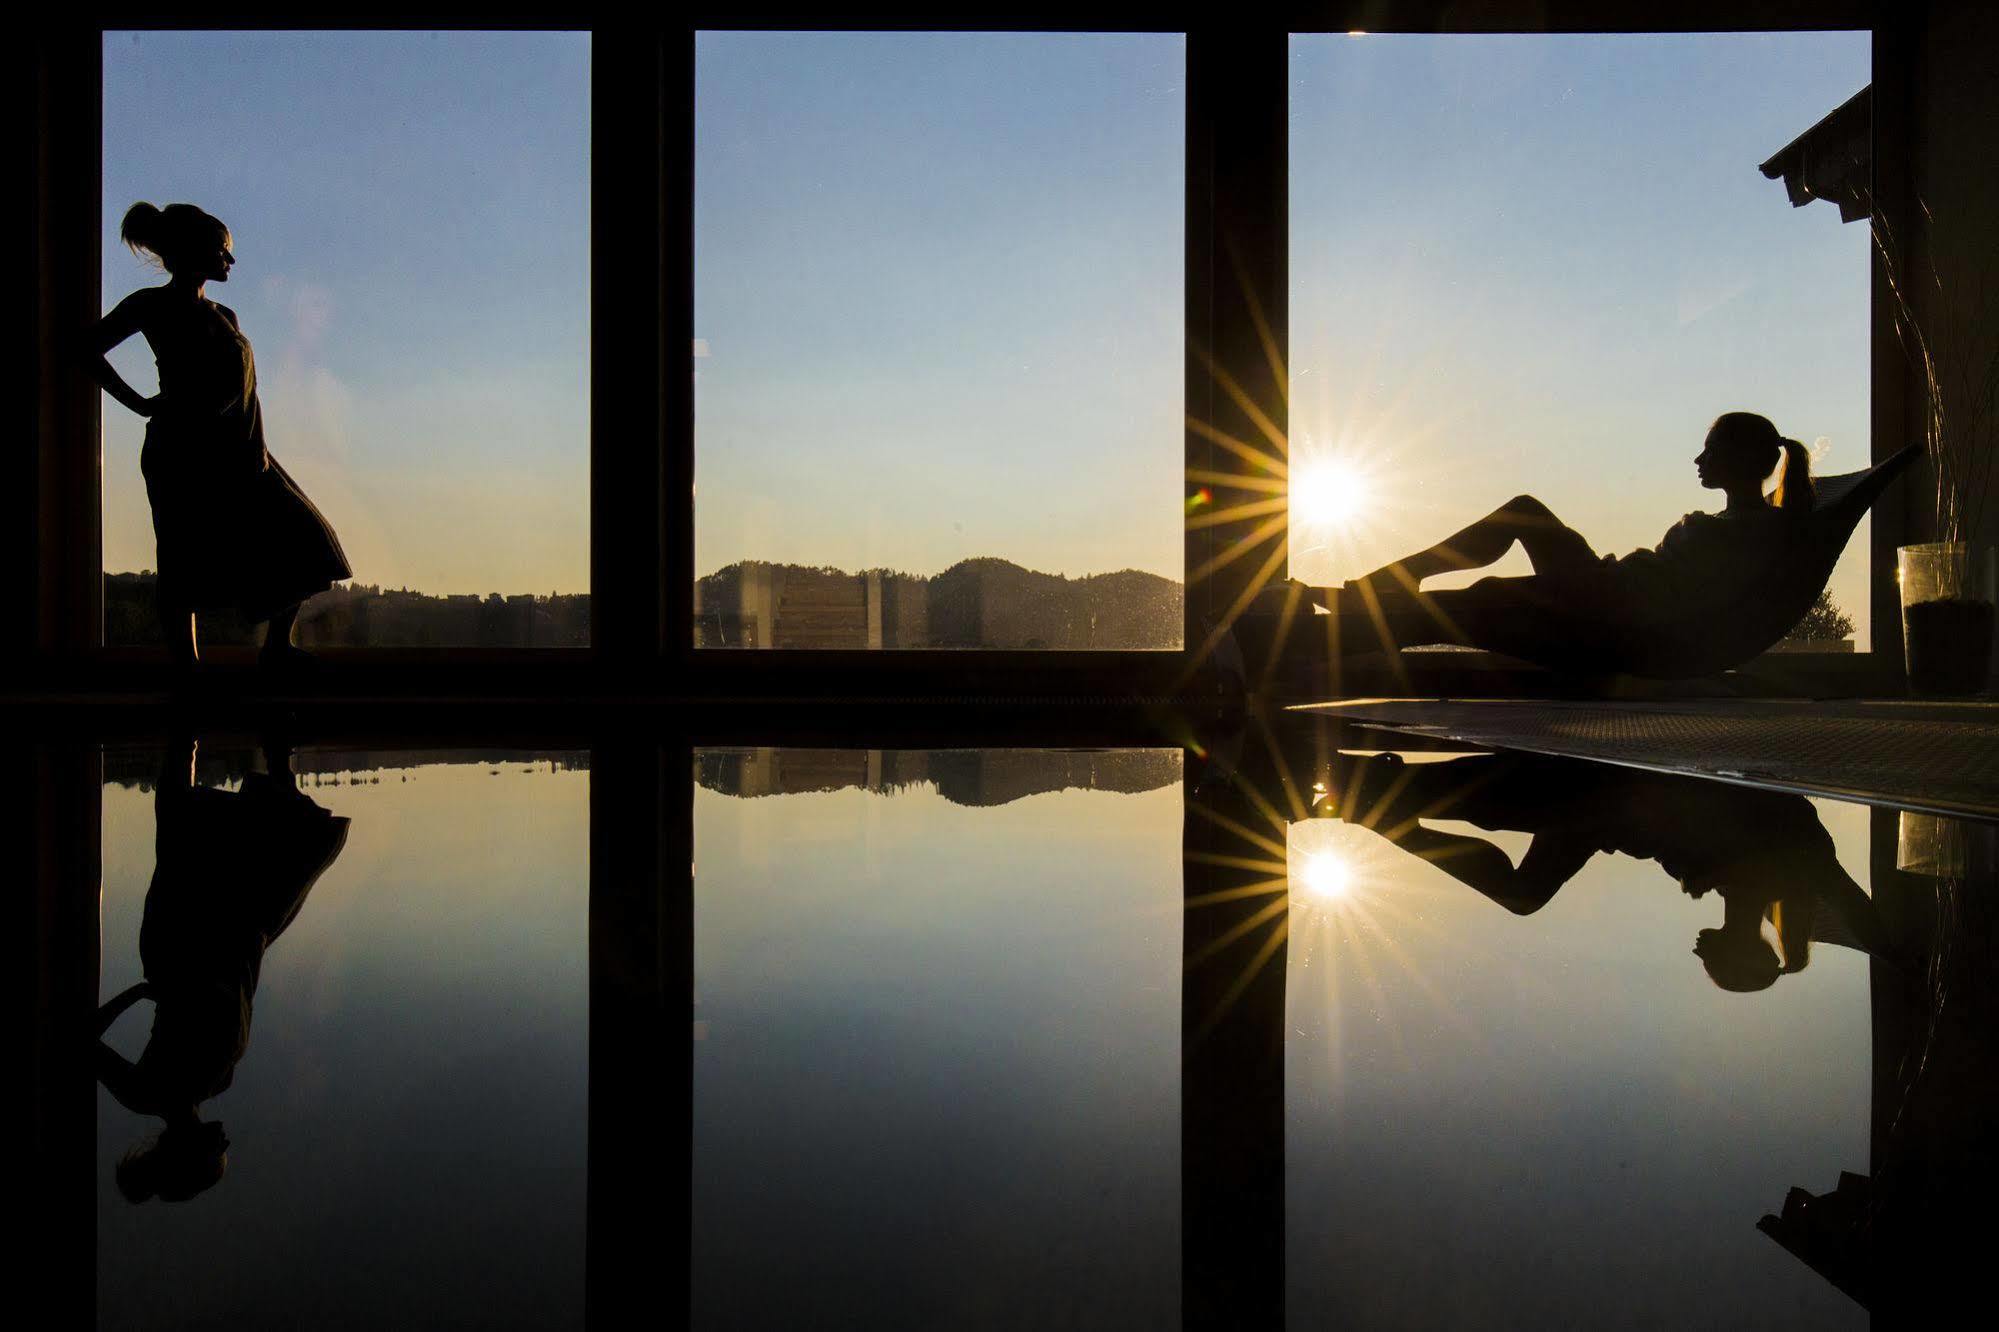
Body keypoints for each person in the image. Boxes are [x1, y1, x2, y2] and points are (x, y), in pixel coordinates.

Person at [1256, 413, 1818, 675]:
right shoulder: (1744, 526)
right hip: (1609, 585)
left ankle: (1306, 633)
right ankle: (1356, 598)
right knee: (1516, 526)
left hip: (1612, 606)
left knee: (1474, 597)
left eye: (1710, 449)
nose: (1699, 460)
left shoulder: (1753, 532)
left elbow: (1704, 613)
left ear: (1743, 460)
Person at [91, 202, 351, 672]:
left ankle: (275, 648)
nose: (230, 261)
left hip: (245, 456)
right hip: (185, 453)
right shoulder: (150, 305)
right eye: (222, 251)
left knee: (309, 541)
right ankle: (186, 673)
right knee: (181, 558)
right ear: (194, 252)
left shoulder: (224, 313)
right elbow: (86, 349)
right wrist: (140, 402)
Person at [94, 733, 349, 1201]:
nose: (227, 1141)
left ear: (189, 1150)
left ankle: (186, 720)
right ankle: (246, 733)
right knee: (194, 826)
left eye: (217, 1153)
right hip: (231, 933)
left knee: (178, 824)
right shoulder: (218, 1081)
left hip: (184, 940)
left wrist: (136, 995)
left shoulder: (146, 1093)